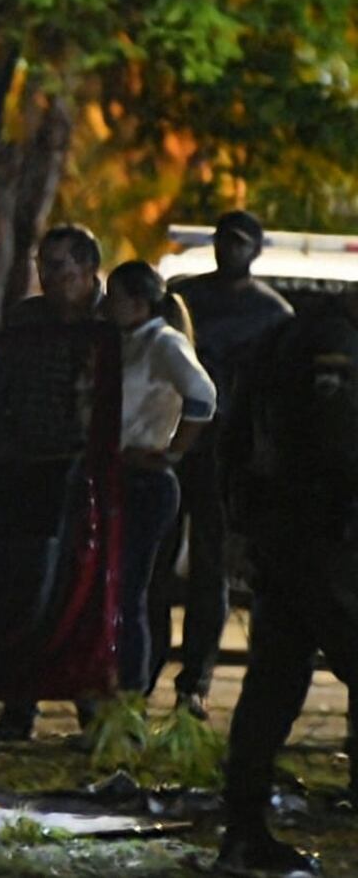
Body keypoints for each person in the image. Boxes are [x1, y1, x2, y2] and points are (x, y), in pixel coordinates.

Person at [215, 291, 358, 876]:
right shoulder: (334, 346)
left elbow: (234, 435)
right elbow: (338, 445)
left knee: (272, 686)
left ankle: (243, 834)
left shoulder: (282, 337)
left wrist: (241, 524)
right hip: (325, 542)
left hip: (282, 542)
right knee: (277, 684)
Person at [0, 224, 105, 741]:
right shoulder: (27, 319)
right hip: (28, 471)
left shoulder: (114, 320)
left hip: (92, 475)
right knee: (29, 591)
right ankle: (17, 709)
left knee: (92, 591)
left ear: (89, 269)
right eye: (44, 268)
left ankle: (97, 715)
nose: (50, 279)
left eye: (60, 269)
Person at [160, 211, 293, 719]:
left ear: (255, 250)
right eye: (223, 241)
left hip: (226, 454)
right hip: (172, 444)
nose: (228, 251)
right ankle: (142, 672)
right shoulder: (184, 296)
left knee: (210, 571)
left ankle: (195, 681)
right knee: (155, 563)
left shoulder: (272, 313)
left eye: (239, 244)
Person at [105, 261, 215, 700]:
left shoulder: (162, 343)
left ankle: (132, 695)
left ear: (138, 301)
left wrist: (171, 452)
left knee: (133, 593)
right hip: (116, 476)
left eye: (113, 297)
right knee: (117, 591)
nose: (106, 306)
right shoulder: (126, 342)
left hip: (145, 482)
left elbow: (203, 396)